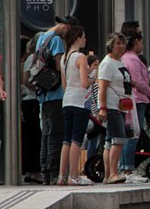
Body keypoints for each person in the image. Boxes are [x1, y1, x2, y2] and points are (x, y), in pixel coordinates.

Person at [36, 14, 77, 185]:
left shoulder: (41, 38)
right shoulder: (57, 41)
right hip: (56, 93)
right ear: (66, 27)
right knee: (56, 133)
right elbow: (61, 65)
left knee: (46, 133)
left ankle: (45, 171)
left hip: (44, 92)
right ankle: (54, 172)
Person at [57, 25, 94, 186]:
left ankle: (62, 175)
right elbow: (85, 82)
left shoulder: (64, 58)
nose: (85, 39)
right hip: (80, 100)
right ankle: (74, 175)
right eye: (84, 36)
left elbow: (64, 85)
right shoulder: (81, 57)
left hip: (67, 100)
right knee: (77, 139)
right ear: (77, 37)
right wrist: (94, 77)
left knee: (66, 139)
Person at [120, 31, 150, 183]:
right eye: (141, 42)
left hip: (134, 99)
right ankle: (127, 167)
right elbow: (138, 82)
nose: (142, 45)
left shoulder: (125, 58)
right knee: (133, 134)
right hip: (138, 99)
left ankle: (125, 166)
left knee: (130, 134)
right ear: (136, 41)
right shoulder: (132, 59)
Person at [97, 32, 132, 184]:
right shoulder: (107, 64)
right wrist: (102, 107)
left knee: (110, 141)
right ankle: (113, 173)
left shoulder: (120, 62)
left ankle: (108, 174)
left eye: (123, 43)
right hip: (112, 106)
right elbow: (102, 88)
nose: (121, 46)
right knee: (118, 140)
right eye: (118, 43)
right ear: (111, 45)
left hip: (121, 105)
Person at [20, 34, 44, 183]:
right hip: (31, 101)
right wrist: (37, 90)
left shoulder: (37, 57)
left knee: (36, 136)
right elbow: (25, 79)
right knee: (34, 136)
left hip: (34, 100)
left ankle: (34, 169)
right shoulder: (32, 58)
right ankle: (32, 169)